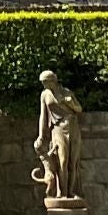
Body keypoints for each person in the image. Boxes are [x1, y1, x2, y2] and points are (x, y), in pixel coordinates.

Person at [31, 68, 83, 204]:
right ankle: (62, 192)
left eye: (46, 82)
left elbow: (79, 109)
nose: (45, 85)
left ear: (53, 81)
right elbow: (43, 116)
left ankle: (71, 192)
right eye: (43, 83)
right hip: (58, 128)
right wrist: (41, 136)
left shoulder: (66, 92)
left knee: (73, 161)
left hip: (72, 126)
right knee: (62, 160)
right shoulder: (45, 95)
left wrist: (68, 102)